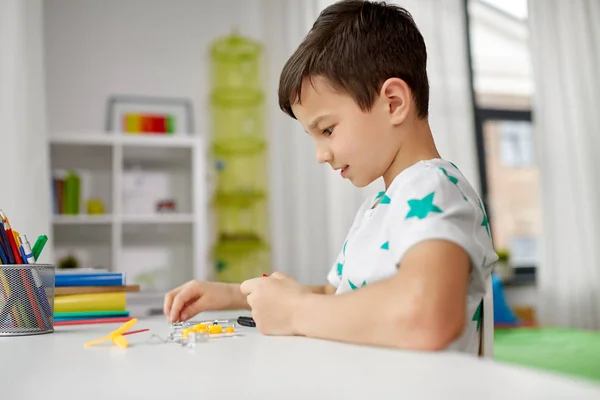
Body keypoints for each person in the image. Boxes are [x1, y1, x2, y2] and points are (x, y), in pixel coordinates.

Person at [164, 0, 498, 354]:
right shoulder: (378, 207)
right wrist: (235, 294)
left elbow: (429, 315)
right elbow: (336, 296)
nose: (321, 155)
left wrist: (294, 312)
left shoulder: (433, 186)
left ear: (394, 102)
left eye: (327, 130)